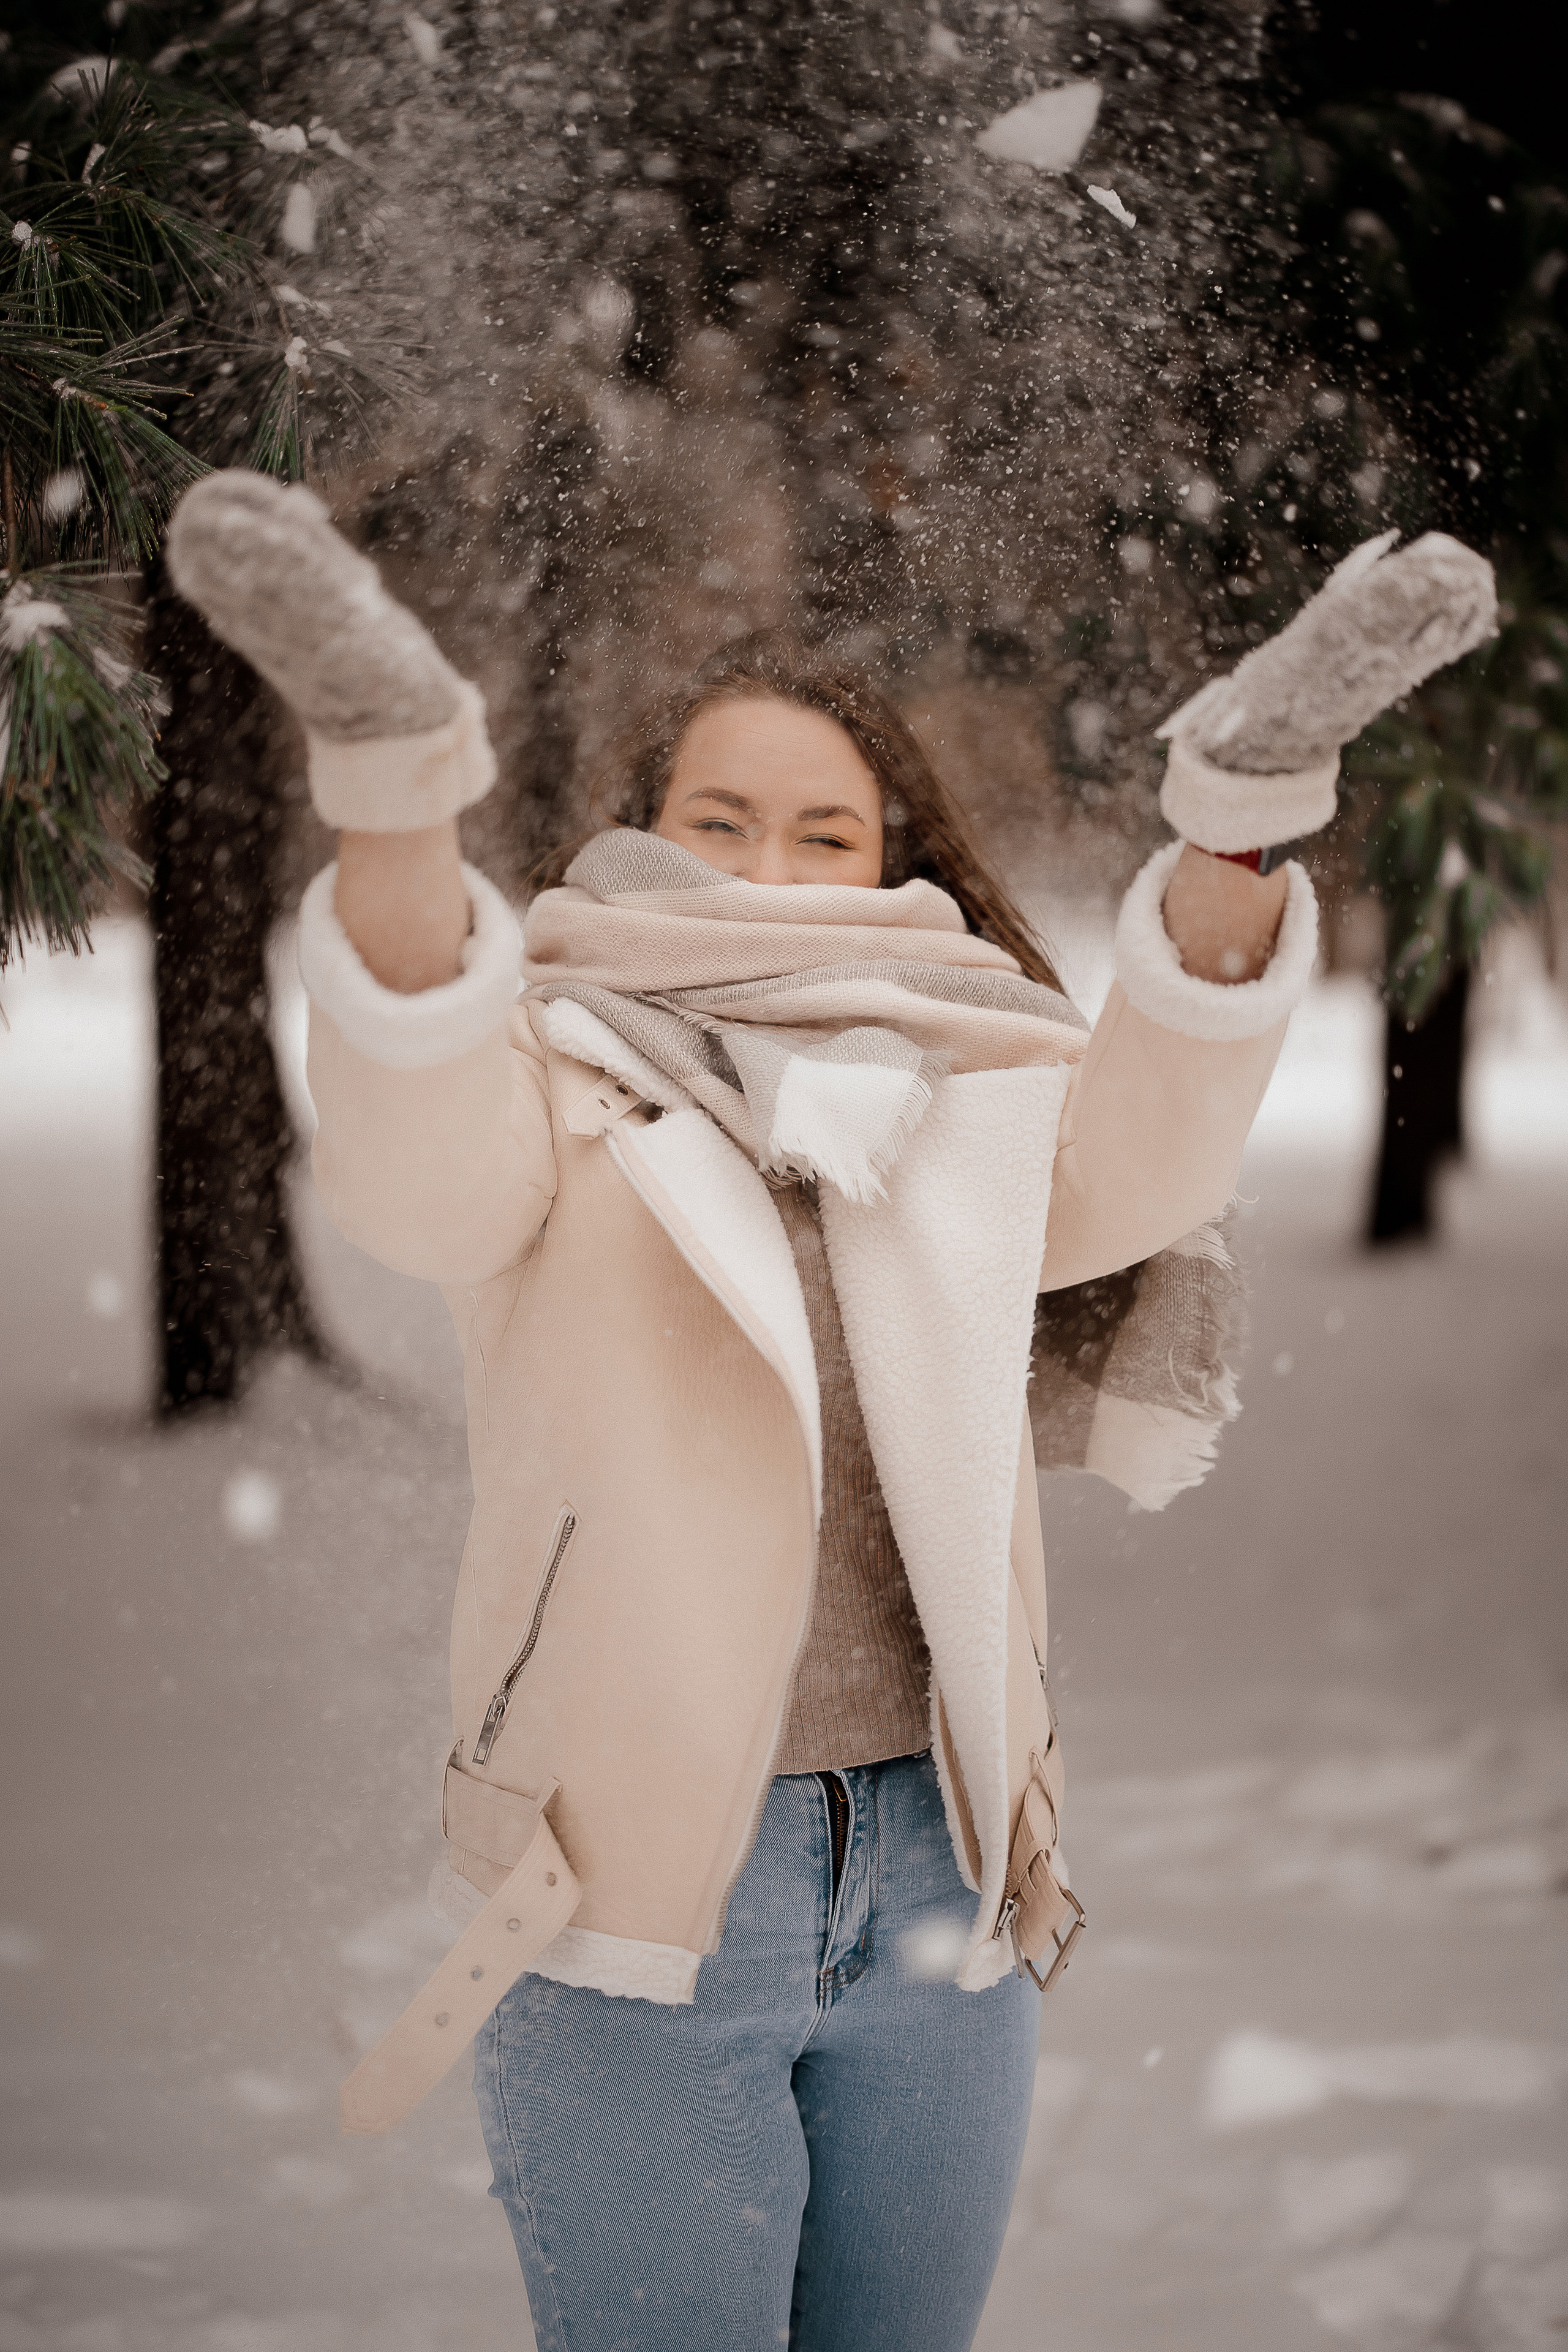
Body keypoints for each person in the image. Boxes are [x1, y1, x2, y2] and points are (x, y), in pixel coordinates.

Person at [168, 474, 1493, 2352]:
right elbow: (411, 1162)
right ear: (642, 840)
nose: (769, 873)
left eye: (821, 830)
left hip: (948, 1885)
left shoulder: (967, 1087)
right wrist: (394, 786)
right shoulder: (555, 1073)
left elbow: (1146, 1133)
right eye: (719, 822)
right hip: (632, 1898)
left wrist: (1240, 824)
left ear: (894, 864)